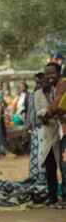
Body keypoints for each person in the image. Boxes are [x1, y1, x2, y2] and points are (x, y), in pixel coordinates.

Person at [42, 62, 66, 207]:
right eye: (47, 74)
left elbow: (55, 107)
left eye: (52, 73)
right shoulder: (54, 88)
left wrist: (48, 113)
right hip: (61, 130)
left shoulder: (62, 85)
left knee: (64, 165)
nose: (49, 76)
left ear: (59, 73)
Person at [24, 73, 47, 184]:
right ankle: (34, 177)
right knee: (34, 153)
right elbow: (30, 112)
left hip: (44, 128)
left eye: (40, 82)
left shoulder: (47, 93)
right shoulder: (33, 94)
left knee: (42, 154)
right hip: (35, 129)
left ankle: (42, 179)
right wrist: (26, 128)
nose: (38, 85)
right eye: (37, 82)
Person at [0, 81, 10, 150]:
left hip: (1, 115)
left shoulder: (0, 94)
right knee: (0, 132)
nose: (0, 87)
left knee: (2, 131)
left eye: (1, 85)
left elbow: (5, 104)